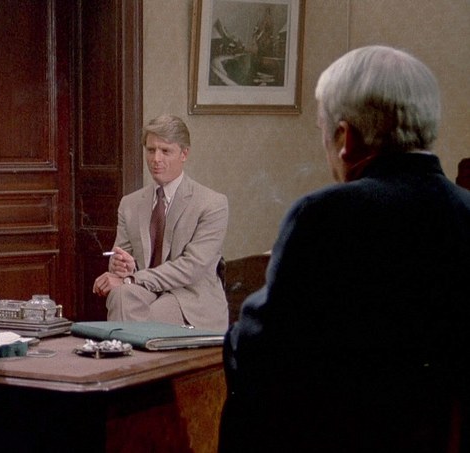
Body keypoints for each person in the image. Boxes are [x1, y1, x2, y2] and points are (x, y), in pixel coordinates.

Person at [219, 46, 470, 452]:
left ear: (345, 137)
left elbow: (263, 356)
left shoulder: (325, 215)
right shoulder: (465, 211)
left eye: (324, 129)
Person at [92, 114, 229, 332]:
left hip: (189, 296)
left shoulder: (212, 204)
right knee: (120, 296)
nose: (156, 159)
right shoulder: (130, 203)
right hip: (146, 288)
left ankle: (124, 352)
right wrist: (122, 267)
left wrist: (132, 279)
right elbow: (121, 259)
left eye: (165, 151)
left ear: (184, 154)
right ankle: (125, 352)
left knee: (147, 313)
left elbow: (190, 268)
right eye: (151, 150)